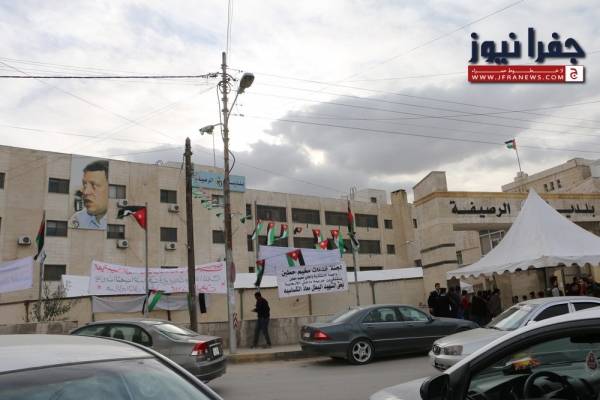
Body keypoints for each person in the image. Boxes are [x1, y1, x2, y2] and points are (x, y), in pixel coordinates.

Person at [70, 160, 109, 230]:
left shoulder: (121, 219)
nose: (85, 192)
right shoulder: (78, 219)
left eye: (94, 185)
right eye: (84, 185)